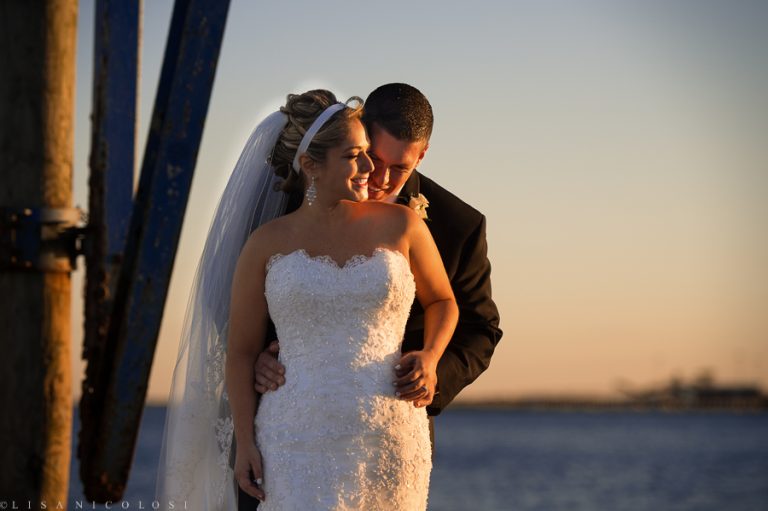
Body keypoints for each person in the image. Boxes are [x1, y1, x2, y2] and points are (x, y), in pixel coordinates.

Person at [156, 89, 458, 510]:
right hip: (294, 440)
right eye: (356, 155)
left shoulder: (403, 225)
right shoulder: (265, 244)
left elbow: (444, 300)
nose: (371, 169)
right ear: (311, 165)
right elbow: (241, 353)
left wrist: (430, 355)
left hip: (389, 436)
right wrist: (245, 443)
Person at [252, 83, 503, 432]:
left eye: (399, 168)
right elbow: (232, 292)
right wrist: (256, 356)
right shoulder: (295, 193)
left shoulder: (459, 225)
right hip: (294, 419)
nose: (380, 179)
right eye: (376, 158)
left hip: (394, 423)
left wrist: (431, 373)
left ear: (422, 154)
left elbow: (481, 330)